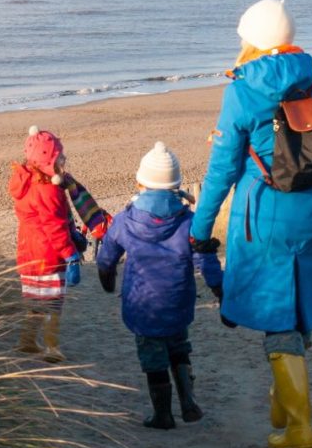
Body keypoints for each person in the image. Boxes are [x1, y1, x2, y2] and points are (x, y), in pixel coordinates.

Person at [190, 0, 312, 448]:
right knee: (300, 310)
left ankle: (299, 428)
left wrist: (200, 228)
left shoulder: (241, 91)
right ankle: (282, 405)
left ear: (252, 40)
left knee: (278, 321)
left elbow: (221, 171)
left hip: (263, 217)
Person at [96, 141, 223, 429]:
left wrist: (107, 277)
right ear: (175, 186)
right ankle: (188, 402)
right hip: (177, 300)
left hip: (143, 304)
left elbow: (107, 255)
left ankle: (163, 415)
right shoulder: (189, 221)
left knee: (153, 355)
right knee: (179, 346)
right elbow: (205, 258)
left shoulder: (126, 220)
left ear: (140, 182)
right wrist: (219, 288)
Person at [9, 126, 110, 362]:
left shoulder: (26, 182)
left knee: (35, 301)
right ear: (48, 162)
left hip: (28, 253)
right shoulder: (48, 190)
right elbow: (54, 228)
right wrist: (71, 256)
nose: (62, 161)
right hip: (48, 257)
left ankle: (27, 341)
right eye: (58, 157)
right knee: (53, 304)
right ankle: (52, 348)